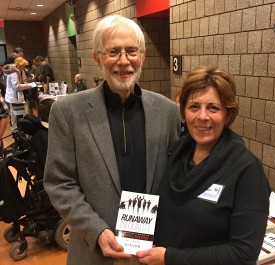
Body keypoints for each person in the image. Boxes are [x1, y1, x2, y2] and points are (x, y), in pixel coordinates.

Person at [43, 14, 180, 265]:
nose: (124, 61)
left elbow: (177, 177)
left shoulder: (168, 111)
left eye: (131, 51)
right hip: (93, 251)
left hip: (153, 252)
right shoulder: (67, 112)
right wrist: (97, 231)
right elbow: (59, 183)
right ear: (98, 58)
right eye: (113, 52)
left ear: (143, 56)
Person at [136, 66, 271, 265]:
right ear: (183, 112)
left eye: (213, 108)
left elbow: (243, 254)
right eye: (194, 107)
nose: (202, 116)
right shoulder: (175, 153)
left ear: (228, 114)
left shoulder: (246, 170)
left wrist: (170, 258)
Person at [2, 57, 32, 127]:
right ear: (20, 65)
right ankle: (20, 132)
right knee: (19, 115)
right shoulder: (14, 73)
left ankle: (18, 130)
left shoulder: (12, 71)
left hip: (13, 96)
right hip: (15, 97)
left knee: (17, 115)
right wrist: (28, 85)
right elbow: (17, 87)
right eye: (23, 66)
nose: (24, 68)